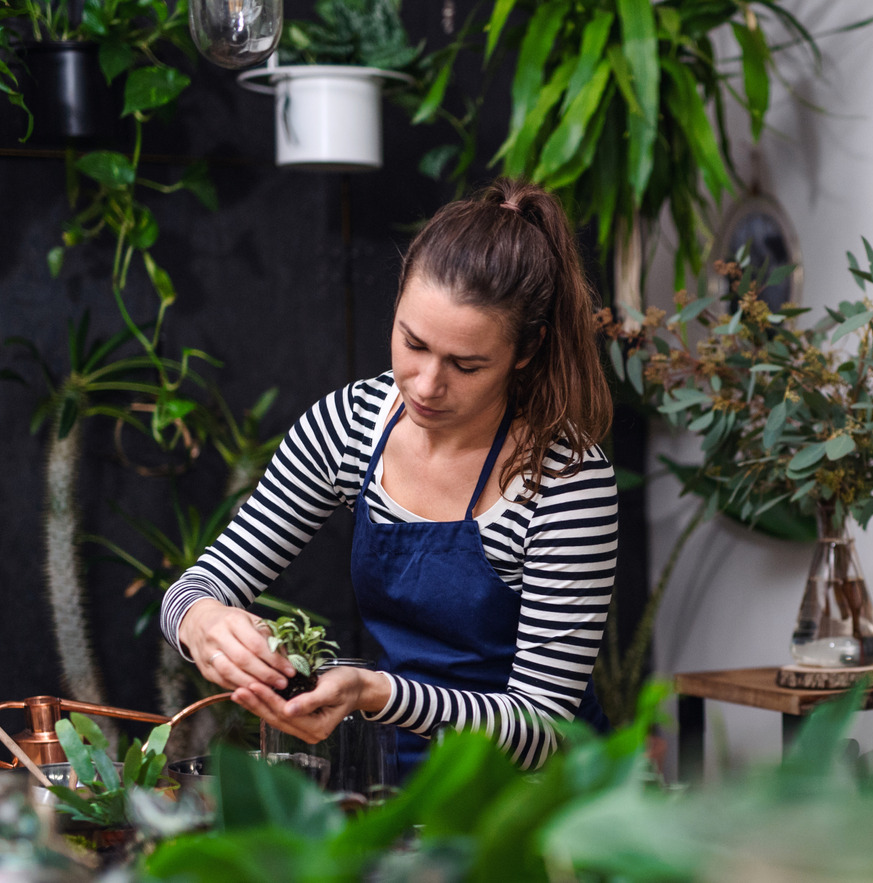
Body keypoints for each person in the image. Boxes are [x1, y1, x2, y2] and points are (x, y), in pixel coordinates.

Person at [159, 179, 617, 771]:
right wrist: (202, 621)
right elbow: (193, 589)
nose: (426, 385)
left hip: (541, 805)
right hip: (396, 776)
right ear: (397, 303)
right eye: (413, 343)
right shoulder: (350, 426)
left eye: (466, 364)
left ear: (526, 351)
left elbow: (541, 729)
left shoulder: (564, 478)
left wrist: (375, 692)